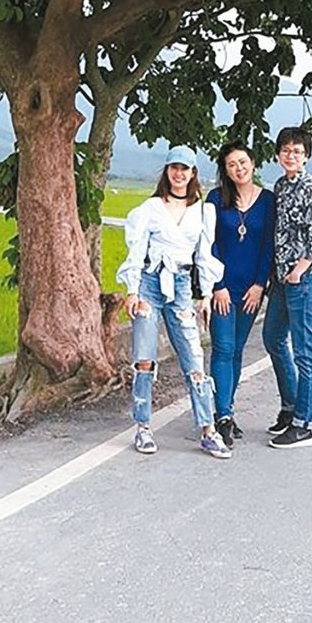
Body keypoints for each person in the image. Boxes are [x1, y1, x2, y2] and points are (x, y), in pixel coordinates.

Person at [116, 146, 232, 459]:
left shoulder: (203, 211)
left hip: (180, 286)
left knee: (194, 360)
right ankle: (143, 427)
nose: (179, 174)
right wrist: (132, 290)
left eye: (185, 169)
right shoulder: (151, 208)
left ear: (193, 173)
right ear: (167, 171)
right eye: (174, 168)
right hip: (150, 283)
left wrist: (205, 294)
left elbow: (204, 255)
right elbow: (137, 250)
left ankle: (208, 430)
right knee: (144, 358)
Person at [262, 125, 312, 448]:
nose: (291, 156)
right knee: (273, 337)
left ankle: (304, 425)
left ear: (307, 157)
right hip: (282, 279)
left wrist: (298, 271)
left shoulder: (311, 188)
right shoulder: (281, 185)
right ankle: (290, 408)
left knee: (305, 352)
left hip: (305, 280)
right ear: (278, 154)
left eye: (298, 152)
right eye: (286, 150)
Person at [205, 141, 275, 450]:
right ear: (225, 170)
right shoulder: (216, 198)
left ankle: (227, 410)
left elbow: (268, 246)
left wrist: (260, 284)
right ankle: (222, 415)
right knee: (223, 347)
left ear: (253, 163)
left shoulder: (268, 200)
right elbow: (209, 243)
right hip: (222, 288)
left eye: (243, 162)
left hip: (250, 290)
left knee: (236, 350)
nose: (239, 168)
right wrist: (217, 285)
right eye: (232, 164)